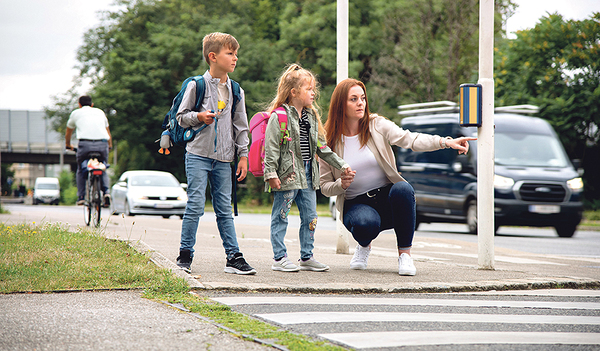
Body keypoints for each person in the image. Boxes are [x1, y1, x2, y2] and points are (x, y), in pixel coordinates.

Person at [319, 78, 475, 275]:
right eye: (353, 99)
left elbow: (410, 139)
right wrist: (341, 184)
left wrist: (445, 142)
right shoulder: (328, 140)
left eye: (363, 98)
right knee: (365, 224)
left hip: (387, 197)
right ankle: (364, 246)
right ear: (341, 104)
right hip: (356, 203)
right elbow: (324, 186)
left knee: (403, 188)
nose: (361, 103)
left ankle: (405, 256)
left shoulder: (376, 125)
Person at [175, 32, 255, 275]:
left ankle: (233, 257)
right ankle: (185, 255)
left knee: (224, 209)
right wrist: (198, 116)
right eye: (230, 53)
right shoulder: (195, 85)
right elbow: (181, 117)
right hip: (198, 154)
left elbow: (241, 126)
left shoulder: (236, 90)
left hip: (224, 158)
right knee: (196, 205)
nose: (235, 58)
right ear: (213, 57)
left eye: (235, 53)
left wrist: (243, 155)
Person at [263, 64, 353, 272]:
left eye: (314, 89)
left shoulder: (311, 117)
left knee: (310, 217)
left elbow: (322, 148)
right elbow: (271, 148)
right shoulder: (279, 117)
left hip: (308, 174)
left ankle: (307, 256)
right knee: (281, 215)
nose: (314, 93)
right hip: (286, 175)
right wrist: (271, 173)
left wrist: (343, 164)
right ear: (293, 92)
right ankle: (279, 258)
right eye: (309, 89)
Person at [65, 95, 112, 206]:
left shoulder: (76, 113)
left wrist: (68, 144)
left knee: (81, 168)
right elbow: (108, 131)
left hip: (85, 145)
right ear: (92, 104)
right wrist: (109, 145)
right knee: (102, 166)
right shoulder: (100, 112)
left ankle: (81, 197)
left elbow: (68, 132)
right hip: (102, 143)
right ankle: (106, 192)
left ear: (79, 104)